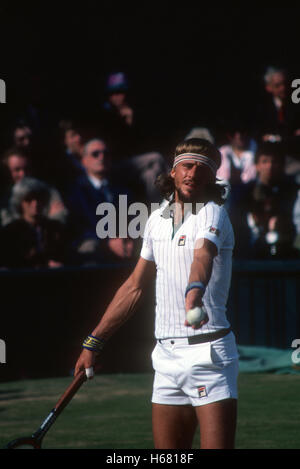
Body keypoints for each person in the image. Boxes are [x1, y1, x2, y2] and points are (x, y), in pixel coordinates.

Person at [74, 138, 239, 449]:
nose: (194, 174)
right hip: (165, 358)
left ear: (212, 178)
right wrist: (93, 342)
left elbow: (203, 256)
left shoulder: (214, 214)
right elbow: (134, 287)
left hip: (209, 356)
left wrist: (194, 290)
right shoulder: (154, 220)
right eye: (187, 166)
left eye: (203, 170)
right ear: (173, 172)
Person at [65, 138, 135, 264]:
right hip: (94, 252)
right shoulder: (75, 191)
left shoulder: (122, 189)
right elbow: (77, 229)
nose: (101, 157)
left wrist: (130, 239)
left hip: (124, 250)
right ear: (84, 161)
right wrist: (107, 243)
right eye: (95, 154)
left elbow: (133, 220)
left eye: (105, 153)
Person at [229, 142, 299, 259]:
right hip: (247, 254)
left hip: (286, 254)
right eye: (265, 161)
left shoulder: (294, 191)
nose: (270, 166)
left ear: (282, 165)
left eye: (275, 162)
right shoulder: (242, 193)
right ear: (256, 165)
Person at [0, 177, 68, 269]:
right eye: (29, 199)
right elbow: (11, 262)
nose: (35, 203)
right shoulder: (11, 231)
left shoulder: (54, 228)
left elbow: (64, 255)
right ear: (20, 202)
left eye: (38, 199)